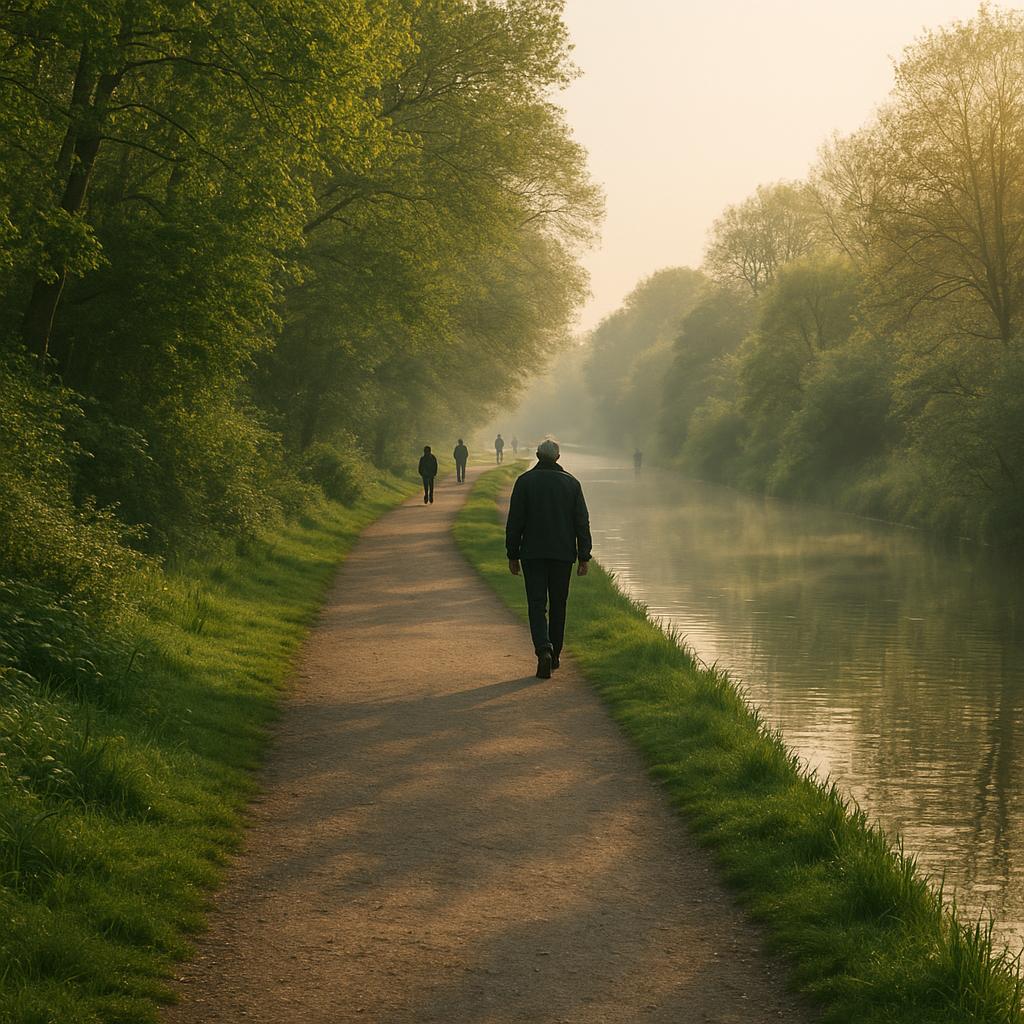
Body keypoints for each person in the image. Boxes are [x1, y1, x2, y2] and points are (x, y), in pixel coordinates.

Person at [505, 438, 592, 679]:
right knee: (558, 604)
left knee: (536, 604)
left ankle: (543, 648)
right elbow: (581, 522)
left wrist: (513, 554)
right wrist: (584, 555)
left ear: (536, 455)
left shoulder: (524, 482)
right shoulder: (572, 484)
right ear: (558, 458)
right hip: (563, 554)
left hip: (532, 553)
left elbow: (515, 523)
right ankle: (554, 656)